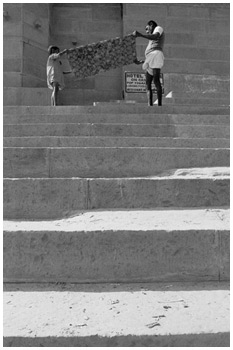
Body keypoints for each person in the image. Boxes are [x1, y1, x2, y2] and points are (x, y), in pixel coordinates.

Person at [133, 20, 165, 106]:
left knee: (156, 80)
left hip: (156, 55)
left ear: (151, 25)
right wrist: (141, 61)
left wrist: (141, 35)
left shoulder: (158, 28)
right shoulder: (150, 40)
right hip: (150, 59)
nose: (147, 31)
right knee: (148, 82)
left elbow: (155, 36)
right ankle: (150, 105)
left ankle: (159, 105)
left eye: (147, 28)